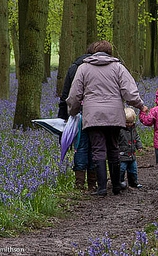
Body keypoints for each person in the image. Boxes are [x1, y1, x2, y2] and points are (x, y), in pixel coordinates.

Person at [67, 40, 148, 196]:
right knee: (113, 148)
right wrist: (140, 105)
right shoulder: (118, 68)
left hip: (92, 116)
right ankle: (116, 186)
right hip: (114, 116)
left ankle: (102, 188)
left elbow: (75, 94)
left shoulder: (83, 68)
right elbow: (129, 92)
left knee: (97, 150)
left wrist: (72, 111)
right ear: (110, 52)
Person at [58, 43, 97, 192]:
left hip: (78, 115)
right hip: (96, 115)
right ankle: (93, 183)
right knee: (96, 147)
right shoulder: (101, 68)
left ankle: (79, 183)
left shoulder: (74, 68)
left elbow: (65, 96)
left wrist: (63, 117)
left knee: (80, 147)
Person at [119, 108, 143, 189]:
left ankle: (133, 183)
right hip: (122, 154)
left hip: (132, 154)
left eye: (131, 122)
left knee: (133, 170)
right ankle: (120, 182)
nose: (129, 124)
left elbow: (137, 138)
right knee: (121, 169)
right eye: (127, 122)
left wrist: (139, 146)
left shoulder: (133, 129)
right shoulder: (120, 130)